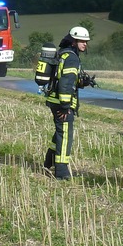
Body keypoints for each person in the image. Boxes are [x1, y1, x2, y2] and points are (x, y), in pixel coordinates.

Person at [43, 26, 92, 180]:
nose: (85, 44)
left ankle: (48, 162)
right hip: (61, 103)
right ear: (73, 41)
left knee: (59, 133)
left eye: (86, 41)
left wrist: (82, 82)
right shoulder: (71, 57)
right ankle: (62, 172)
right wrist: (65, 107)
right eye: (81, 41)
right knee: (65, 136)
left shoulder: (63, 54)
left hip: (54, 100)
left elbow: (65, 78)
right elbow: (65, 84)